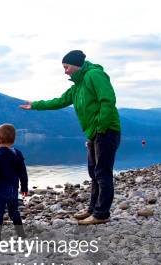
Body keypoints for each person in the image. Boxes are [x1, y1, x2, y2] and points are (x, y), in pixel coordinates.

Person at [19, 50, 121, 225]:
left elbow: (108, 100)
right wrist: (35, 105)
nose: (65, 71)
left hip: (106, 131)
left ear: (75, 65)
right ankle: (92, 210)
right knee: (94, 173)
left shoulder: (95, 75)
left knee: (102, 173)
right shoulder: (76, 87)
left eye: (66, 67)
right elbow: (58, 102)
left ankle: (102, 214)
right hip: (94, 133)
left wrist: (100, 127)